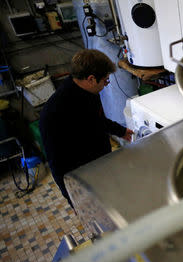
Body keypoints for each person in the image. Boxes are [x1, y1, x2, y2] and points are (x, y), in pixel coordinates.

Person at [39, 49, 133, 208]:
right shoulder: (54, 114)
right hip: (83, 177)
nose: (105, 85)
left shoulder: (86, 90)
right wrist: (73, 198)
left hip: (100, 166)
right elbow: (57, 164)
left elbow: (97, 120)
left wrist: (121, 131)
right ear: (91, 79)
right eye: (105, 81)